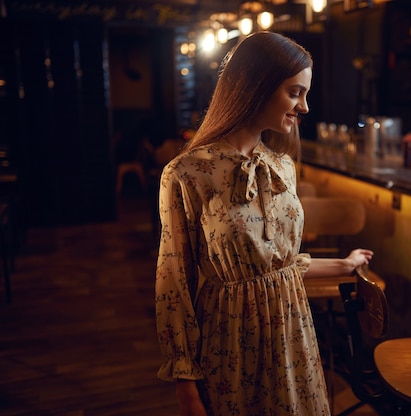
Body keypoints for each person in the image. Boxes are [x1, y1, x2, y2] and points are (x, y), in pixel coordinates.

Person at [155, 31, 374, 416]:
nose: (304, 106)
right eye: (295, 93)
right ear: (256, 86)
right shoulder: (187, 173)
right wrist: (185, 383)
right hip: (231, 341)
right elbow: (174, 285)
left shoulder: (281, 166)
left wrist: (344, 265)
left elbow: (280, 268)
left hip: (294, 334)